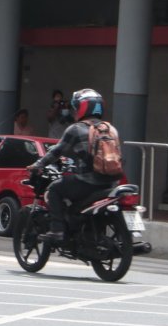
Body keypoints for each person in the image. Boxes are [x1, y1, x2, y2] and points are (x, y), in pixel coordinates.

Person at [27, 88, 121, 243]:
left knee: (55, 189)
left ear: (83, 107)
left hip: (88, 183)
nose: (74, 111)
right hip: (111, 184)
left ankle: (57, 230)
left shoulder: (76, 129)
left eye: (76, 107)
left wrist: (38, 165)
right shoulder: (111, 129)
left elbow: (57, 151)